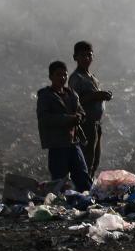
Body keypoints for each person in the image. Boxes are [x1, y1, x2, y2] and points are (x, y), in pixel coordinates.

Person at [37, 60, 91, 192]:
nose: (62, 78)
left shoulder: (71, 94)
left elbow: (81, 112)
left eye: (64, 75)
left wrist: (79, 117)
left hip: (73, 143)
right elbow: (44, 119)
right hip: (57, 145)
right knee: (59, 182)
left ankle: (86, 203)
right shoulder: (46, 96)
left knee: (83, 177)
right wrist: (68, 119)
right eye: (58, 75)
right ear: (50, 77)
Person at [69, 40, 112, 178]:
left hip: (95, 124)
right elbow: (74, 102)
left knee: (94, 159)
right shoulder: (76, 78)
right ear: (75, 57)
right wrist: (95, 96)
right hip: (85, 124)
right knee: (86, 159)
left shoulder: (92, 77)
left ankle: (89, 186)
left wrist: (103, 96)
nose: (86, 59)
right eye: (83, 56)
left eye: (89, 55)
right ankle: (82, 188)